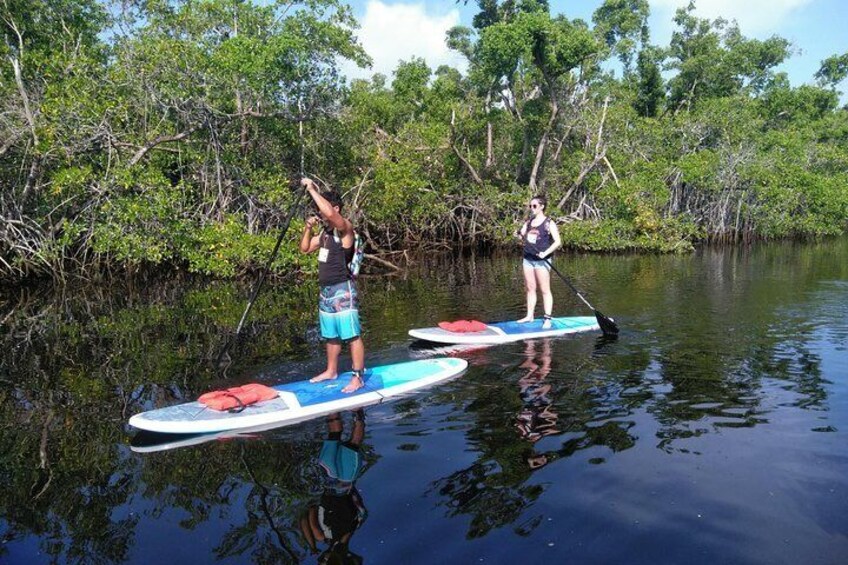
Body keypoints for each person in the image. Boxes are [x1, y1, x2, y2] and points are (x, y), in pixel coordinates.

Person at [299, 177, 366, 393]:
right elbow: (305, 248)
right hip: (326, 291)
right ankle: (331, 370)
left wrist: (311, 189)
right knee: (331, 335)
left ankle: (357, 377)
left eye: (322, 208)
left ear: (335, 208)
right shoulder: (325, 234)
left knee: (352, 335)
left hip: (342, 289)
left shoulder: (345, 228)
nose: (319, 213)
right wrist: (308, 228)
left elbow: (328, 214)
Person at [299, 410, 368, 565]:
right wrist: (313, 545)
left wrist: (313, 546)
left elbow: (307, 516)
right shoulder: (326, 535)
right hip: (335, 484)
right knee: (343, 441)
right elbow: (308, 515)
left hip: (341, 485)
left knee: (348, 442)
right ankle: (348, 413)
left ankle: (351, 413)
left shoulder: (328, 535)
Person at [516, 195, 562, 328]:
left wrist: (545, 253)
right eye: (530, 206)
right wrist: (518, 235)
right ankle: (529, 316)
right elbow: (521, 236)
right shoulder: (529, 221)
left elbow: (557, 242)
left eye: (534, 206)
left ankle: (547, 318)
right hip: (528, 259)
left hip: (542, 261)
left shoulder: (549, 222)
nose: (532, 208)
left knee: (545, 290)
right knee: (530, 288)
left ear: (542, 207)